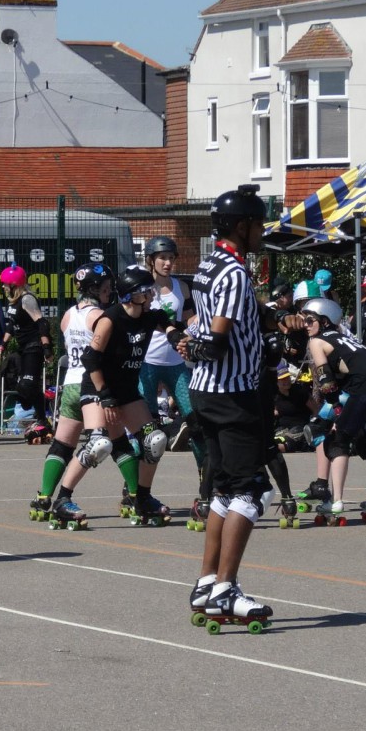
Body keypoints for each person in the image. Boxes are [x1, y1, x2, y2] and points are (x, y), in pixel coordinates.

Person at [178, 184, 283, 625]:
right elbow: (218, 341)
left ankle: (207, 582)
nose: (262, 232)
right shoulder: (236, 273)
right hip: (233, 391)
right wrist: (198, 345)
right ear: (242, 226)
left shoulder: (208, 265)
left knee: (223, 489)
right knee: (251, 490)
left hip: (205, 390)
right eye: (258, 224)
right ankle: (226, 588)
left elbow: (200, 324)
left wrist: (187, 341)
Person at [47, 266, 176, 529]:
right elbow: (90, 358)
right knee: (99, 444)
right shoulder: (110, 318)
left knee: (155, 440)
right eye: (147, 292)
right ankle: (62, 499)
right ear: (133, 295)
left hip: (127, 392)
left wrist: (178, 336)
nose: (152, 295)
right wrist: (105, 397)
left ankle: (142, 498)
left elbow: (167, 322)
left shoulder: (148, 316)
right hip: (98, 388)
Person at [28, 262, 114, 519]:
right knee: (105, 442)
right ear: (94, 289)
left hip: (71, 383)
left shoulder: (67, 315)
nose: (109, 291)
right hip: (92, 384)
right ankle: (135, 494)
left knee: (62, 444)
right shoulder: (100, 316)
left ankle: (43, 496)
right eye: (106, 288)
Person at [303, 298, 366, 520]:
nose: (305, 325)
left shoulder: (316, 341)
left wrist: (335, 407)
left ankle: (336, 502)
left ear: (324, 321)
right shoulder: (346, 338)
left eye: (309, 320)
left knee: (337, 440)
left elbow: (326, 380)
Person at [136, 235, 206, 507]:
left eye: (171, 258)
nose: (167, 263)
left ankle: (207, 485)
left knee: (196, 422)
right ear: (150, 260)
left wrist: (202, 322)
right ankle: (135, 490)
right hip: (147, 363)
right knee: (149, 431)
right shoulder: (143, 288)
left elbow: (189, 318)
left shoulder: (182, 286)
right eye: (162, 258)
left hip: (176, 363)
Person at [0, 263, 53, 443]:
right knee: (21, 386)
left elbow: (42, 323)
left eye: (5, 284)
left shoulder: (27, 299)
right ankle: (42, 416)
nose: (3, 287)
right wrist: (3, 345)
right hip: (22, 349)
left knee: (28, 385)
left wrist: (47, 348)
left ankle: (43, 419)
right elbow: (11, 325)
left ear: (14, 285)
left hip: (34, 347)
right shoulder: (13, 301)